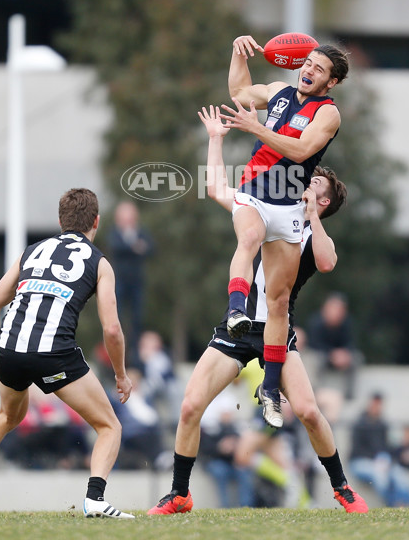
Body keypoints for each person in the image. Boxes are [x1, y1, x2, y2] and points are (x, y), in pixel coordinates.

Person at [147, 106, 367, 515]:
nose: (300, 176)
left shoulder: (307, 231)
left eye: (311, 180)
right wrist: (215, 138)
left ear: (321, 199)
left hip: (277, 335)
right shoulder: (266, 210)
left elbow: (327, 261)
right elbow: (217, 189)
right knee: (190, 405)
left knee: (309, 413)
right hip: (237, 331)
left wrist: (314, 216)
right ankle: (179, 493)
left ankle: (342, 489)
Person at [0, 188, 135, 519]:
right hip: (53, 353)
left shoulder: (32, 251)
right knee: (109, 425)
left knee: (7, 416)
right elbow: (112, 330)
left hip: (10, 348)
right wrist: (122, 376)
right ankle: (95, 498)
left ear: (59, 221)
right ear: (96, 221)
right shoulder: (100, 262)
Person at [219, 34, 349, 428]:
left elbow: (300, 151)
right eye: (307, 62)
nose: (309, 69)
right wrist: (237, 52)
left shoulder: (328, 113)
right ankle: (236, 310)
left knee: (279, 302)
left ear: (331, 83)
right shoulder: (277, 91)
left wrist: (255, 129)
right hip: (255, 188)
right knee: (248, 238)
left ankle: (270, 388)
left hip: (289, 204)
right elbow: (240, 89)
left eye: (319, 69)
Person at [349, 392, 409, 507]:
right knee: (380, 476)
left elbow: (387, 448)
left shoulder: (383, 425)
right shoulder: (359, 424)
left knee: (400, 475)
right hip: (360, 462)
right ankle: (393, 505)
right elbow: (357, 450)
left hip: (381, 462)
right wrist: (377, 460)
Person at [108, 200, 154, 364]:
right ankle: (118, 355)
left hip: (136, 283)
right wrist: (134, 247)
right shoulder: (115, 233)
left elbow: (150, 248)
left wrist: (134, 247)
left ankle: (135, 357)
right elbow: (115, 247)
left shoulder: (141, 232)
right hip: (119, 282)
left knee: (137, 320)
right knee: (117, 319)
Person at [307, 291, 362, 400]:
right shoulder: (316, 322)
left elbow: (351, 343)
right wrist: (332, 354)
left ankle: (349, 395)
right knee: (313, 359)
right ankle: (315, 391)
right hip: (323, 355)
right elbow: (314, 344)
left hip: (341, 358)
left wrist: (344, 354)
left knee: (357, 358)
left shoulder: (347, 323)